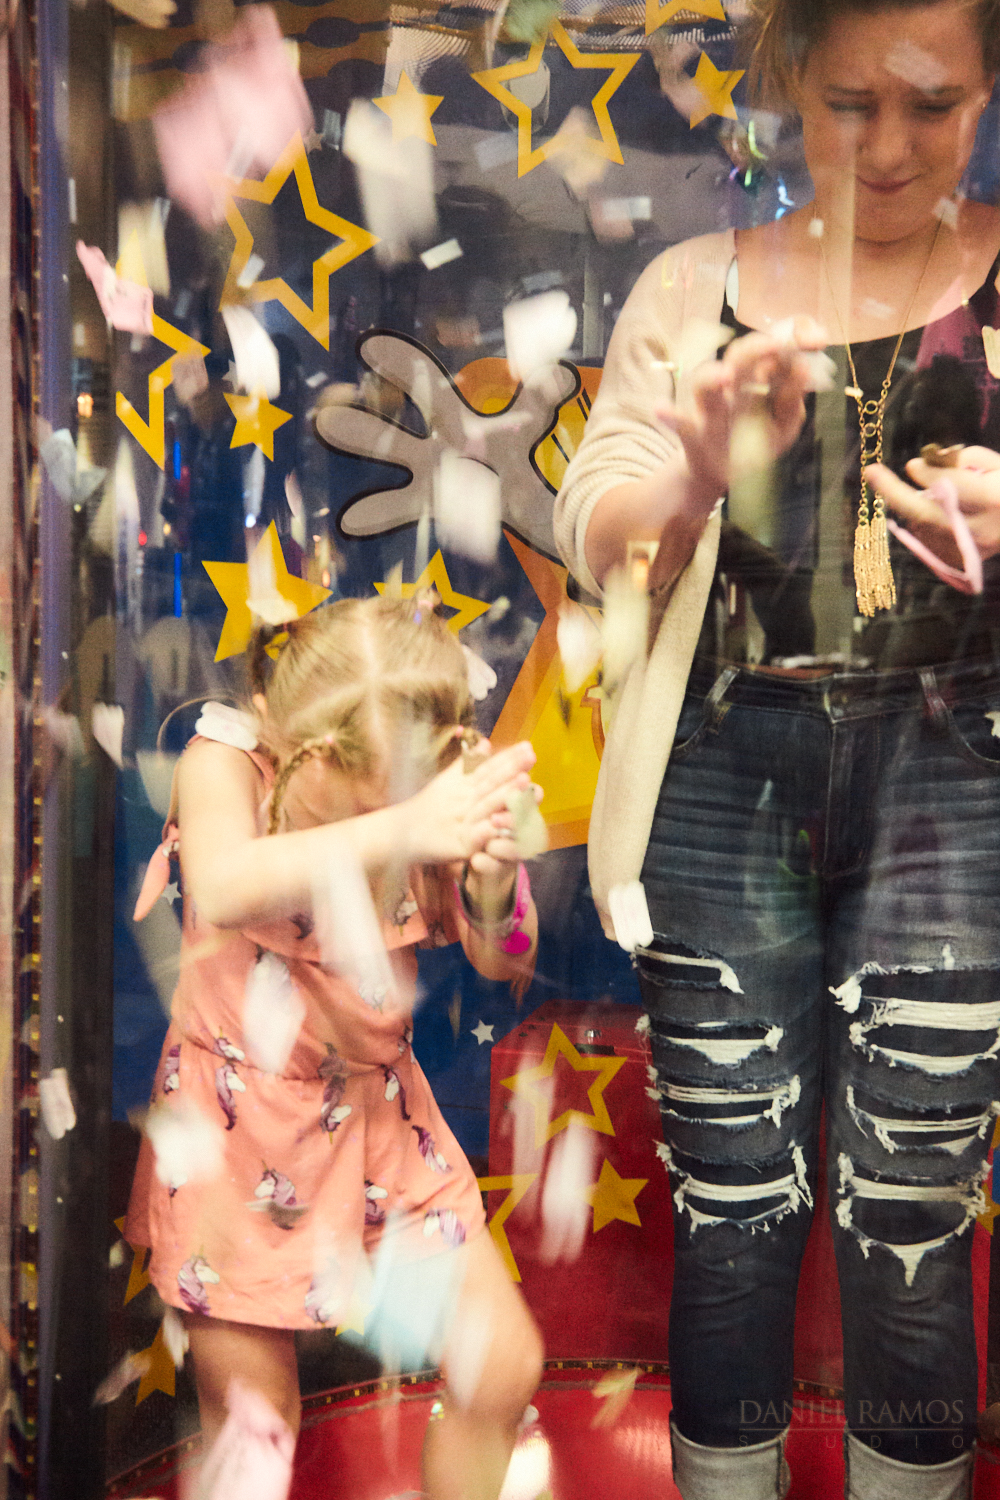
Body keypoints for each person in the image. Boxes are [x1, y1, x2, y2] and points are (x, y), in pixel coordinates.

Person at [555, 1, 1000, 1496]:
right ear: (792, 81)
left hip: (957, 783)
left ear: (988, 90)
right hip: (719, 775)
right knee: (731, 1207)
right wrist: (691, 470)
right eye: (849, 101)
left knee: (917, 1212)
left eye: (933, 105)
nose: (889, 147)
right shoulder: (695, 289)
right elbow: (596, 528)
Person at [124, 595, 544, 1500]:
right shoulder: (223, 762)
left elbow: (505, 958)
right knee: (255, 1424)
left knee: (502, 1367)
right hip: (240, 1139)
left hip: (381, 1121)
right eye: (374, 797)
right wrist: (405, 827)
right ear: (302, 755)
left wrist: (492, 879)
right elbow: (227, 884)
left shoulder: (417, 784)